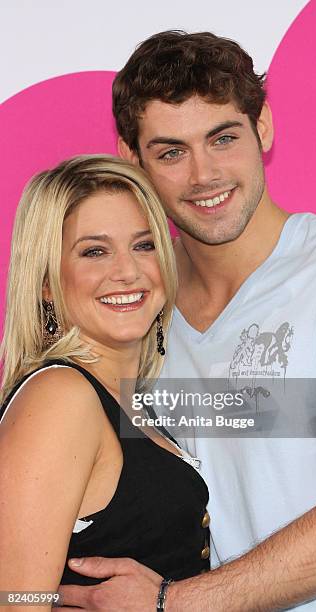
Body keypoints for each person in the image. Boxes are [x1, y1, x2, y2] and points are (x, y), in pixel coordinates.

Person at [58, 31, 316, 611]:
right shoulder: (132, 303)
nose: (203, 175)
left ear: (264, 128)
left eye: (223, 138)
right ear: (134, 159)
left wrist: (174, 603)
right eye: (171, 151)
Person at [0, 155, 211, 611]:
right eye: (94, 251)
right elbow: (14, 603)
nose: (127, 271)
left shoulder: (127, 402)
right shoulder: (60, 398)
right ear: (46, 283)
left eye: (144, 245)